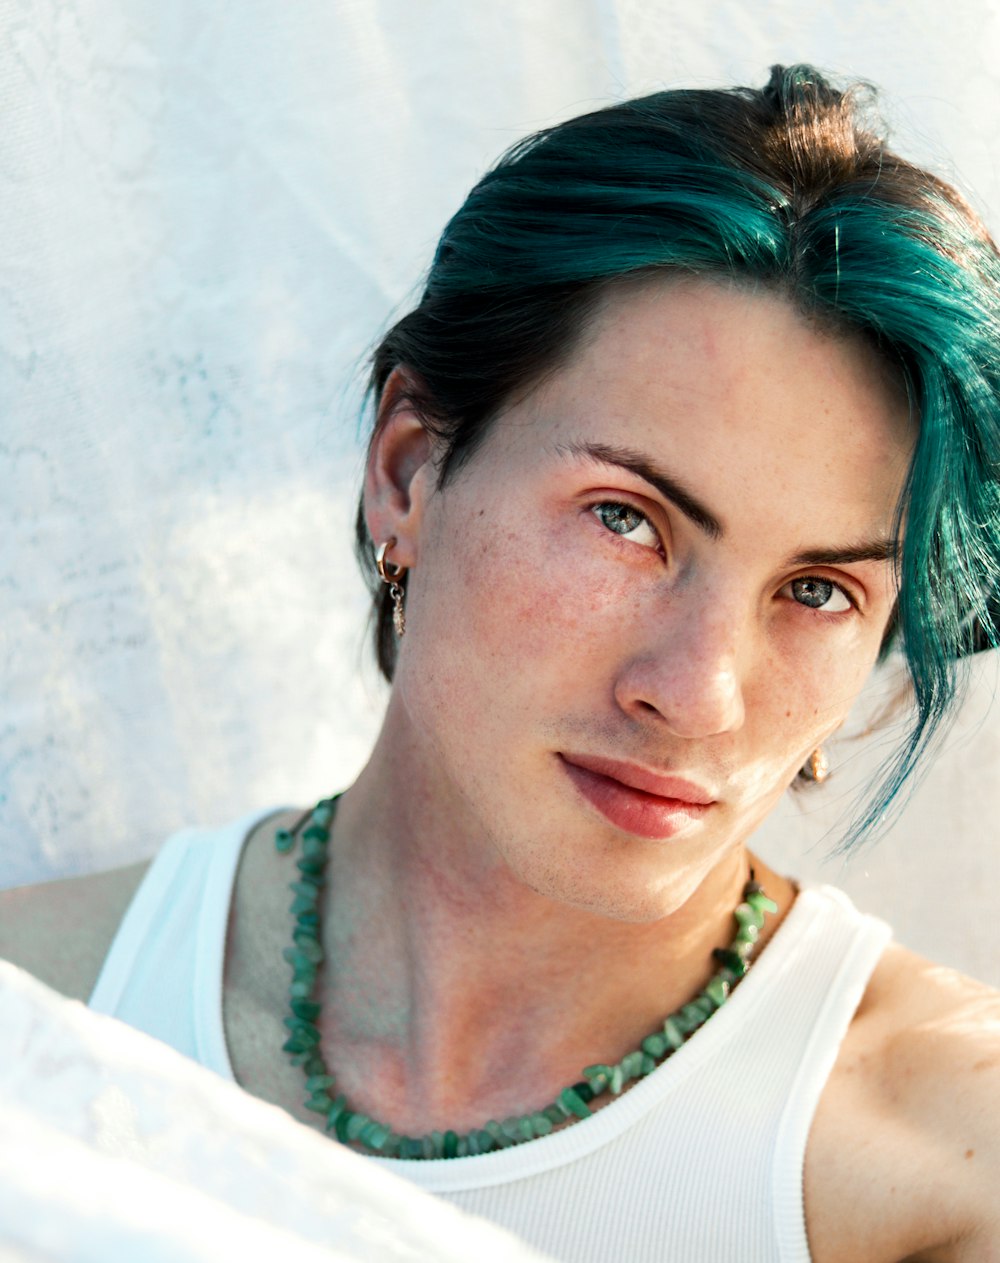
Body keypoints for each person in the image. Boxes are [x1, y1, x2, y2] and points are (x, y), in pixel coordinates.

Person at [2, 63, 1000, 1262]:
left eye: (816, 590)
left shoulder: (944, 1162)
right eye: (625, 519)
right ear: (408, 471)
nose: (697, 695)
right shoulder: (39, 1023)